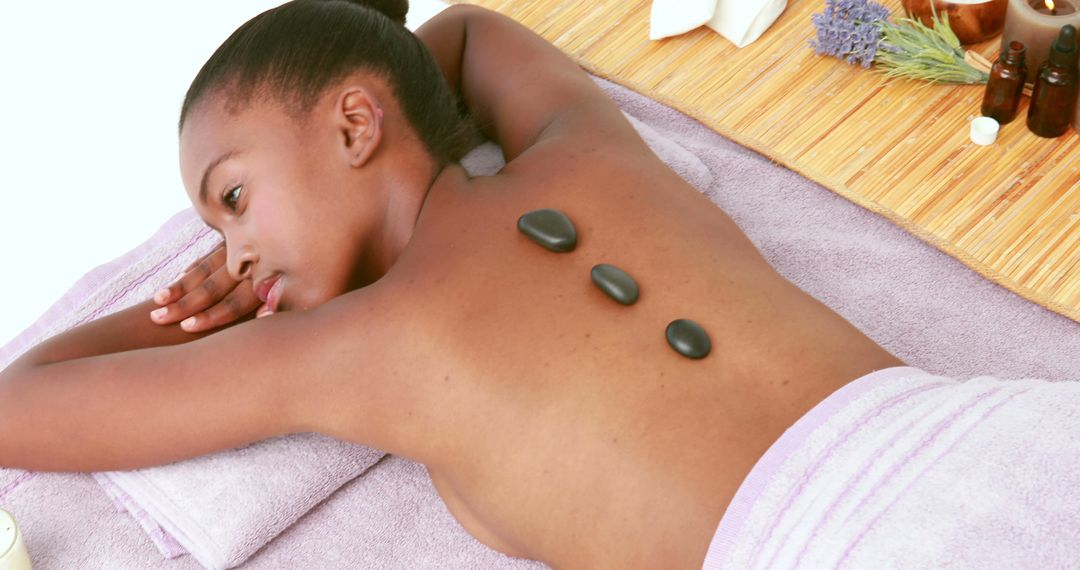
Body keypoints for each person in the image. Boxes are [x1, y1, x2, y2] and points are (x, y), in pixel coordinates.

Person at [0, 1, 906, 567]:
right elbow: (475, 30)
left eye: (232, 196)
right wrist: (374, 101)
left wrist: (205, 305)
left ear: (358, 120)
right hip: (982, 435)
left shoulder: (365, 347)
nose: (232, 253)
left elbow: (16, 408)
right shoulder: (590, 154)